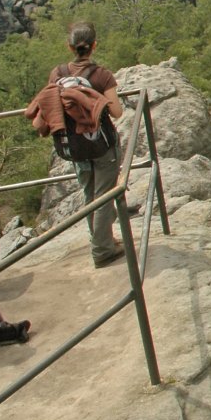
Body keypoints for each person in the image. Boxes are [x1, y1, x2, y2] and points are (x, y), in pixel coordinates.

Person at [52, 22, 125, 269]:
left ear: (70, 47)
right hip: (102, 146)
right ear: (94, 46)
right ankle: (102, 250)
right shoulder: (101, 75)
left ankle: (103, 240)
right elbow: (116, 111)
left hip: (75, 146)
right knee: (104, 197)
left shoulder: (58, 74)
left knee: (89, 194)